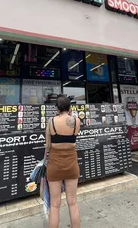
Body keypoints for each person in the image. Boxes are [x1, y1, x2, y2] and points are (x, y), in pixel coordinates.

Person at [46, 95, 81, 228]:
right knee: (72, 202)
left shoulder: (51, 122)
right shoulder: (76, 121)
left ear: (57, 108)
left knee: (55, 205)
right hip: (72, 164)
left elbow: (48, 145)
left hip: (54, 165)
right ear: (70, 107)